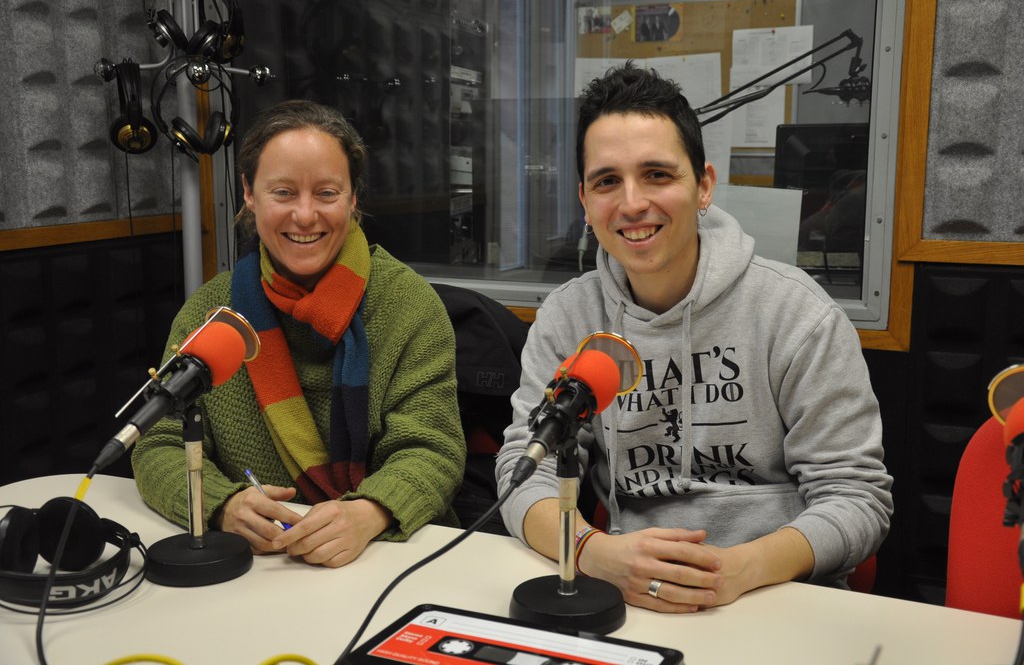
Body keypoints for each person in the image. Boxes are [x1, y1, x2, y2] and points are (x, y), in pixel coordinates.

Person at [495, 63, 893, 612]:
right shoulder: (569, 317)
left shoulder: (797, 313)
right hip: (630, 593)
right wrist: (592, 552)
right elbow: (526, 470)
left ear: (703, 186)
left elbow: (857, 498)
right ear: (585, 201)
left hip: (778, 594)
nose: (632, 203)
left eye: (657, 174)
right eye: (607, 181)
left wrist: (739, 570)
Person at [132, 99, 466, 568]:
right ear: (249, 193)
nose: (305, 215)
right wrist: (221, 504)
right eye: (283, 192)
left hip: (388, 557)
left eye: (326, 193)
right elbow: (159, 442)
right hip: (260, 569)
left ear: (353, 198)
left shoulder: (409, 306)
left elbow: (433, 449)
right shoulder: (210, 315)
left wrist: (371, 511)